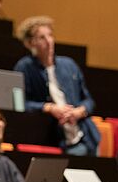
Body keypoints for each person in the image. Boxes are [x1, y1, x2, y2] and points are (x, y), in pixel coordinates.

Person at [13, 16, 99, 156]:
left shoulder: (69, 65)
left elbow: (88, 100)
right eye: (42, 37)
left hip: (88, 137)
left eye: (50, 35)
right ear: (30, 43)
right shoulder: (25, 67)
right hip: (58, 141)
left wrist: (79, 111)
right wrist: (49, 108)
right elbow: (19, 103)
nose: (49, 41)